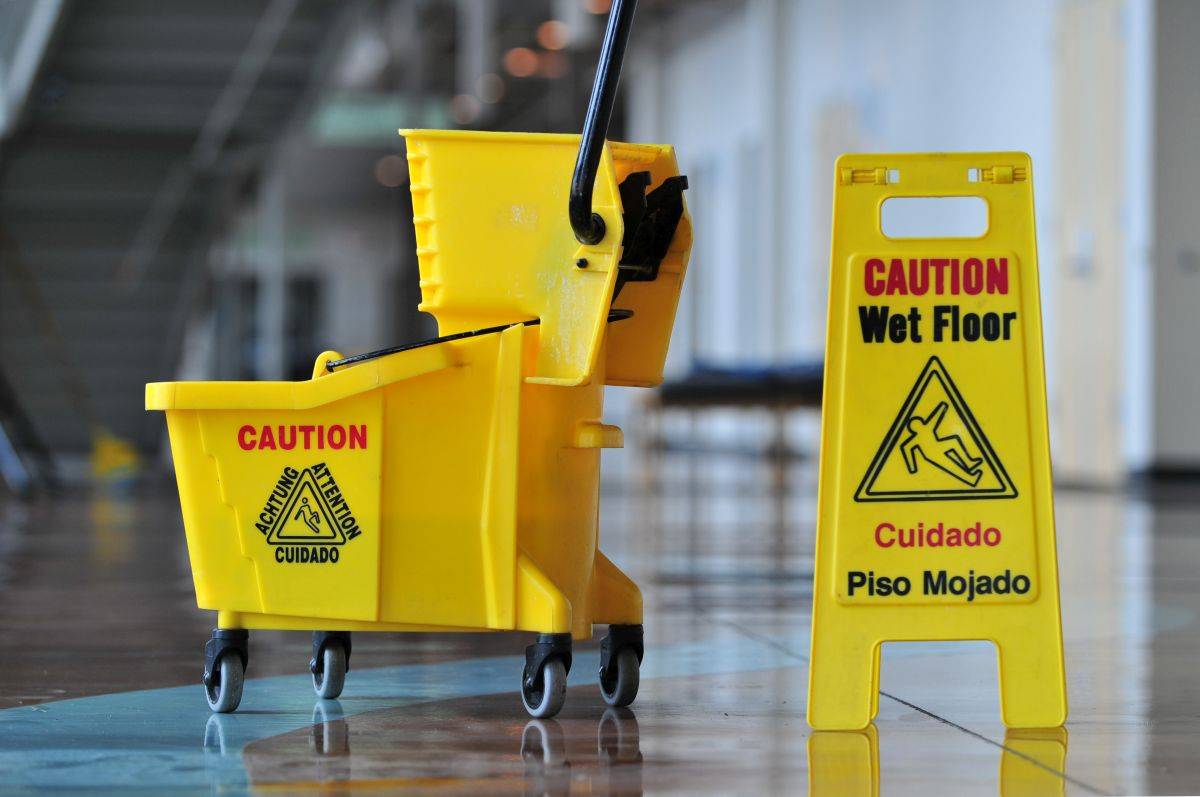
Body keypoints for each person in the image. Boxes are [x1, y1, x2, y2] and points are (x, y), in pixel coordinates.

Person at [899, 402, 983, 486]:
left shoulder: (927, 427)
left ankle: (969, 463)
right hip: (932, 454)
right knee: (952, 466)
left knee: (954, 440)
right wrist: (912, 468)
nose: (920, 425)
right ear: (914, 429)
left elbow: (936, 416)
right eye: (917, 425)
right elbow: (906, 448)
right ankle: (971, 478)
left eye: (920, 423)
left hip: (939, 445)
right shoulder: (916, 438)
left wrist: (943, 407)